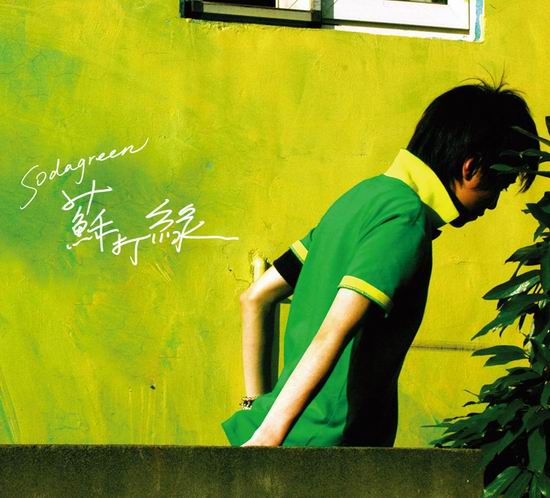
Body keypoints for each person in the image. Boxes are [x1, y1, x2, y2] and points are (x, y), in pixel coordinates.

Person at [221, 81, 540, 447]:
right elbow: (335, 329)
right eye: (500, 185)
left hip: (290, 444)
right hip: (330, 453)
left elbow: (256, 297)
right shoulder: (405, 220)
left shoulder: (359, 198)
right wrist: (267, 439)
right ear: (471, 167)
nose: (494, 203)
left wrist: (257, 412)